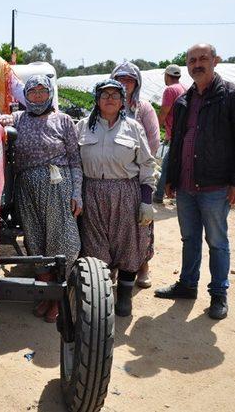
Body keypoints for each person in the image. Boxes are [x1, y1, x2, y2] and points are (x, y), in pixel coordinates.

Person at [155, 44, 235, 320]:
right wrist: (171, 177)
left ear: (215, 61)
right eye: (192, 60)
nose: (197, 64)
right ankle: (188, 285)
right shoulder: (184, 100)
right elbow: (177, 142)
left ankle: (218, 294)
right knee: (189, 238)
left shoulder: (234, 96)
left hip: (216, 185)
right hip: (186, 185)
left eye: (203, 59)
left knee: (216, 241)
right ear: (186, 65)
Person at [0, 75, 82, 323]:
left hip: (57, 185)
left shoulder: (63, 120)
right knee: (35, 241)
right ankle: (46, 294)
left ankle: (56, 299)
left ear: (49, 94)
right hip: (26, 188)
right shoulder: (19, 119)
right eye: (32, 92)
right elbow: (1, 124)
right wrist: (2, 119)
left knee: (61, 240)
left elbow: (76, 161)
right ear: (25, 95)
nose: (37, 96)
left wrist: (77, 193)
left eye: (42, 91)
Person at [77, 79, 156, 317]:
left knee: (128, 244)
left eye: (115, 95)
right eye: (104, 95)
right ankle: (100, 294)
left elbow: (147, 163)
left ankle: (124, 295)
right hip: (91, 191)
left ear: (122, 101)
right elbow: (73, 163)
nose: (109, 99)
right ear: (97, 100)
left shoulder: (133, 127)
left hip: (125, 192)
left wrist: (146, 200)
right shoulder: (82, 126)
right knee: (95, 244)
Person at [111, 61, 160, 289]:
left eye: (129, 79)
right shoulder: (106, 105)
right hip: (114, 176)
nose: (124, 83)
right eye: (120, 79)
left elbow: (153, 141)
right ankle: (113, 267)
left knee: (141, 223)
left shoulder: (144, 109)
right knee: (114, 226)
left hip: (137, 174)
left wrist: (138, 167)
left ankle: (143, 266)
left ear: (136, 83)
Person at [154, 64, 186, 204]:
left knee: (167, 165)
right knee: (182, 165)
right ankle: (180, 193)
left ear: (167, 76)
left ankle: (158, 195)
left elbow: (163, 113)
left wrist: (153, 132)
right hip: (186, 134)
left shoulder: (170, 90)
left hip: (176, 134)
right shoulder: (185, 88)